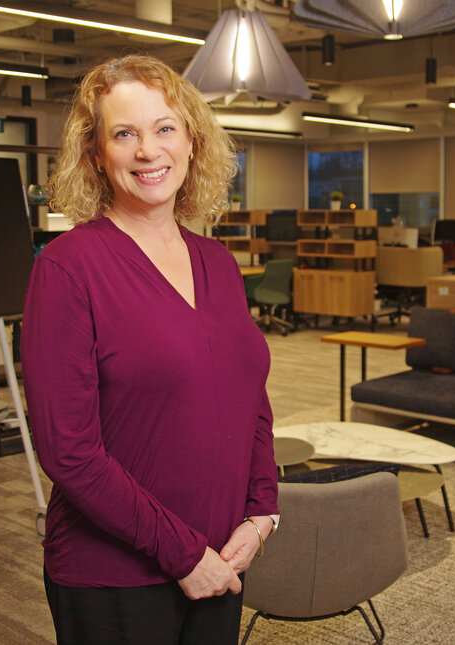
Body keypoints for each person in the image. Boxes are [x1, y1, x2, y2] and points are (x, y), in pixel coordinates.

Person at [21, 54, 279, 645]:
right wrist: (185, 555)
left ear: (191, 141)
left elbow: (251, 399)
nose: (148, 150)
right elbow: (69, 453)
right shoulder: (67, 269)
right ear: (96, 155)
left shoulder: (218, 262)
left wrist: (262, 512)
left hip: (223, 558)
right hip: (114, 575)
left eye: (164, 128)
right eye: (124, 133)